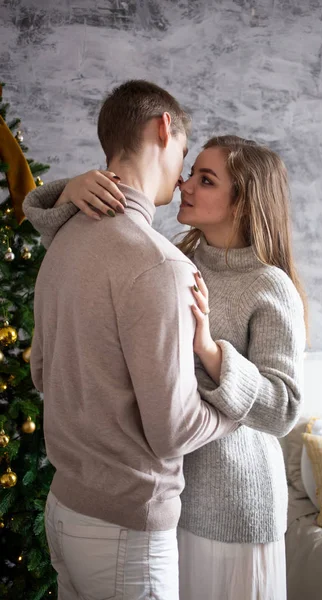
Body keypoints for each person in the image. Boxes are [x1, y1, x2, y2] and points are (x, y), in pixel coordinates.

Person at [24, 133, 307, 599]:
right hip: (166, 498)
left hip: (234, 506)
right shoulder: (173, 258)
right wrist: (72, 190)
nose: (184, 184)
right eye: (191, 171)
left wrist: (212, 353)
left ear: (242, 202)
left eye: (206, 180)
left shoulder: (269, 286)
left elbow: (284, 409)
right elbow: (95, 249)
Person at [24, 81, 239, 600]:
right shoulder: (160, 266)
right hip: (126, 530)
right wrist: (236, 409)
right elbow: (174, 430)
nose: (184, 176)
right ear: (164, 128)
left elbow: (40, 369)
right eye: (185, 155)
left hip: (65, 510)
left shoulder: (65, 238)